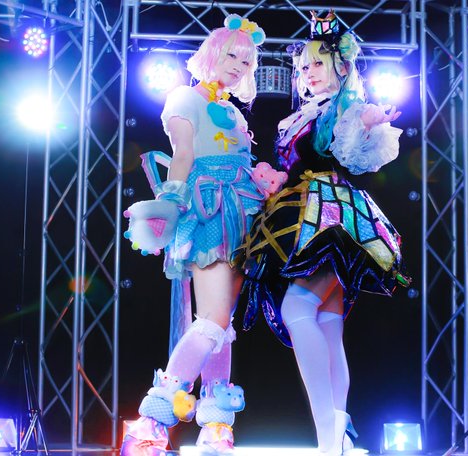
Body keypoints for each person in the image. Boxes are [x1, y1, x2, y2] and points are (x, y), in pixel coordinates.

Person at [233, 10, 411, 456]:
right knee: (328, 328)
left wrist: (367, 125)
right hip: (295, 216)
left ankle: (330, 433)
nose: (308, 73)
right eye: (303, 66)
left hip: (331, 217)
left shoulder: (347, 108)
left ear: (341, 66)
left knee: (297, 308)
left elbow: (354, 158)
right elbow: (292, 167)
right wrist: (270, 178)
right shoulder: (297, 116)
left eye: (316, 63)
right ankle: (335, 437)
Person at [120, 14, 268, 456]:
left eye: (247, 62)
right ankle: (152, 421)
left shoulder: (235, 112)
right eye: (232, 56)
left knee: (222, 324)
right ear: (212, 54)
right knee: (213, 320)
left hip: (244, 213)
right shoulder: (184, 96)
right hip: (209, 208)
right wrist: (170, 202)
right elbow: (183, 155)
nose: (239, 67)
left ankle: (216, 427)